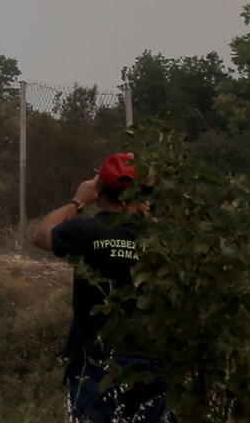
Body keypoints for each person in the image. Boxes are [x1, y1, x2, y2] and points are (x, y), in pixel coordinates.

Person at [32, 152, 167, 422]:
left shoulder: (86, 229)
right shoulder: (157, 238)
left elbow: (41, 235)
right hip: (151, 359)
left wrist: (78, 201)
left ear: (99, 189)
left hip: (97, 362)